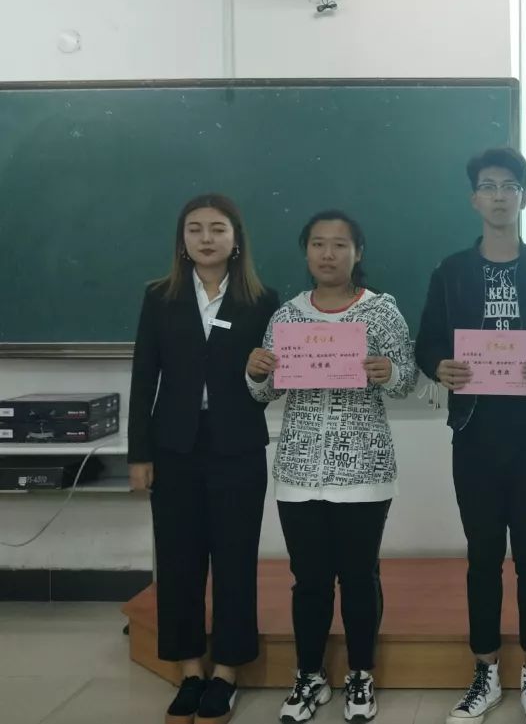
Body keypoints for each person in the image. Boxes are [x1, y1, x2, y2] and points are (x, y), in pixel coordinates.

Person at [414, 147, 526, 724]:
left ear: (524, 197)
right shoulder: (451, 271)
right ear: (474, 199)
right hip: (474, 433)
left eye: (509, 186)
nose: (499, 196)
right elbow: (428, 342)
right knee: (482, 555)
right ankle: (485, 670)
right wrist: (439, 366)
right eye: (488, 186)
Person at [246, 211, 418, 723]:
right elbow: (264, 392)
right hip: (298, 471)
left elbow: (408, 380)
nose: (328, 253)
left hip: (363, 470)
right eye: (318, 244)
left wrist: (390, 372)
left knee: (360, 577)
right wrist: (256, 372)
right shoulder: (287, 316)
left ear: (357, 253)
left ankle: (360, 674)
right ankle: (309, 675)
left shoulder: (381, 311)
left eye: (340, 244)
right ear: (306, 252)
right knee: (309, 580)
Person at [128, 193, 278, 724]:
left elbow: (274, 381)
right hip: (174, 447)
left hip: (237, 445)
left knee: (235, 561)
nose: (206, 238)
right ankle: (191, 669)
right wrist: (139, 453)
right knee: (178, 561)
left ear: (236, 240)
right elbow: (143, 377)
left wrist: (264, 372)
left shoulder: (262, 300)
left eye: (218, 229)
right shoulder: (160, 296)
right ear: (182, 240)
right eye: (195, 229)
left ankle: (227, 673)